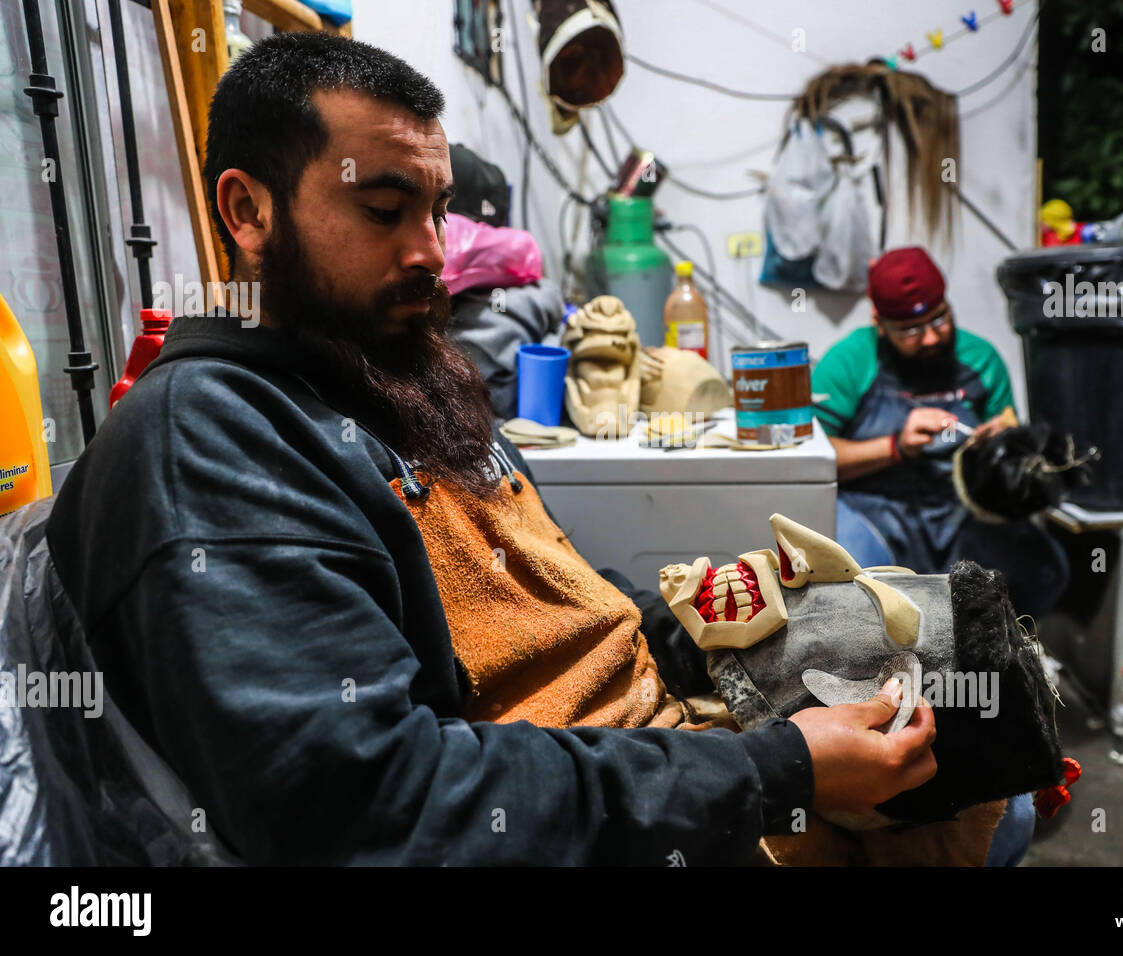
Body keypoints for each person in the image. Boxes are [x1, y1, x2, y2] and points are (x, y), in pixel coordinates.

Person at [43, 33, 945, 866]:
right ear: (248, 211)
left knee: (962, 731)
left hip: (673, 761)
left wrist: (710, 625)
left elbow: (562, 598)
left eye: (436, 211)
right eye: (385, 209)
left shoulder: (399, 376)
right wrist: (772, 776)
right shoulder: (212, 444)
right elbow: (371, 810)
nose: (432, 252)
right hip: (612, 821)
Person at [812, 247, 1069, 620]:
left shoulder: (980, 359)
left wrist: (1000, 448)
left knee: (1044, 569)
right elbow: (816, 460)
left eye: (939, 320)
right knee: (854, 587)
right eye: (911, 330)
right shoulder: (849, 362)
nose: (931, 338)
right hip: (871, 508)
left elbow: (1011, 446)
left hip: (958, 509)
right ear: (879, 322)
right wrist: (895, 447)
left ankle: (990, 663)